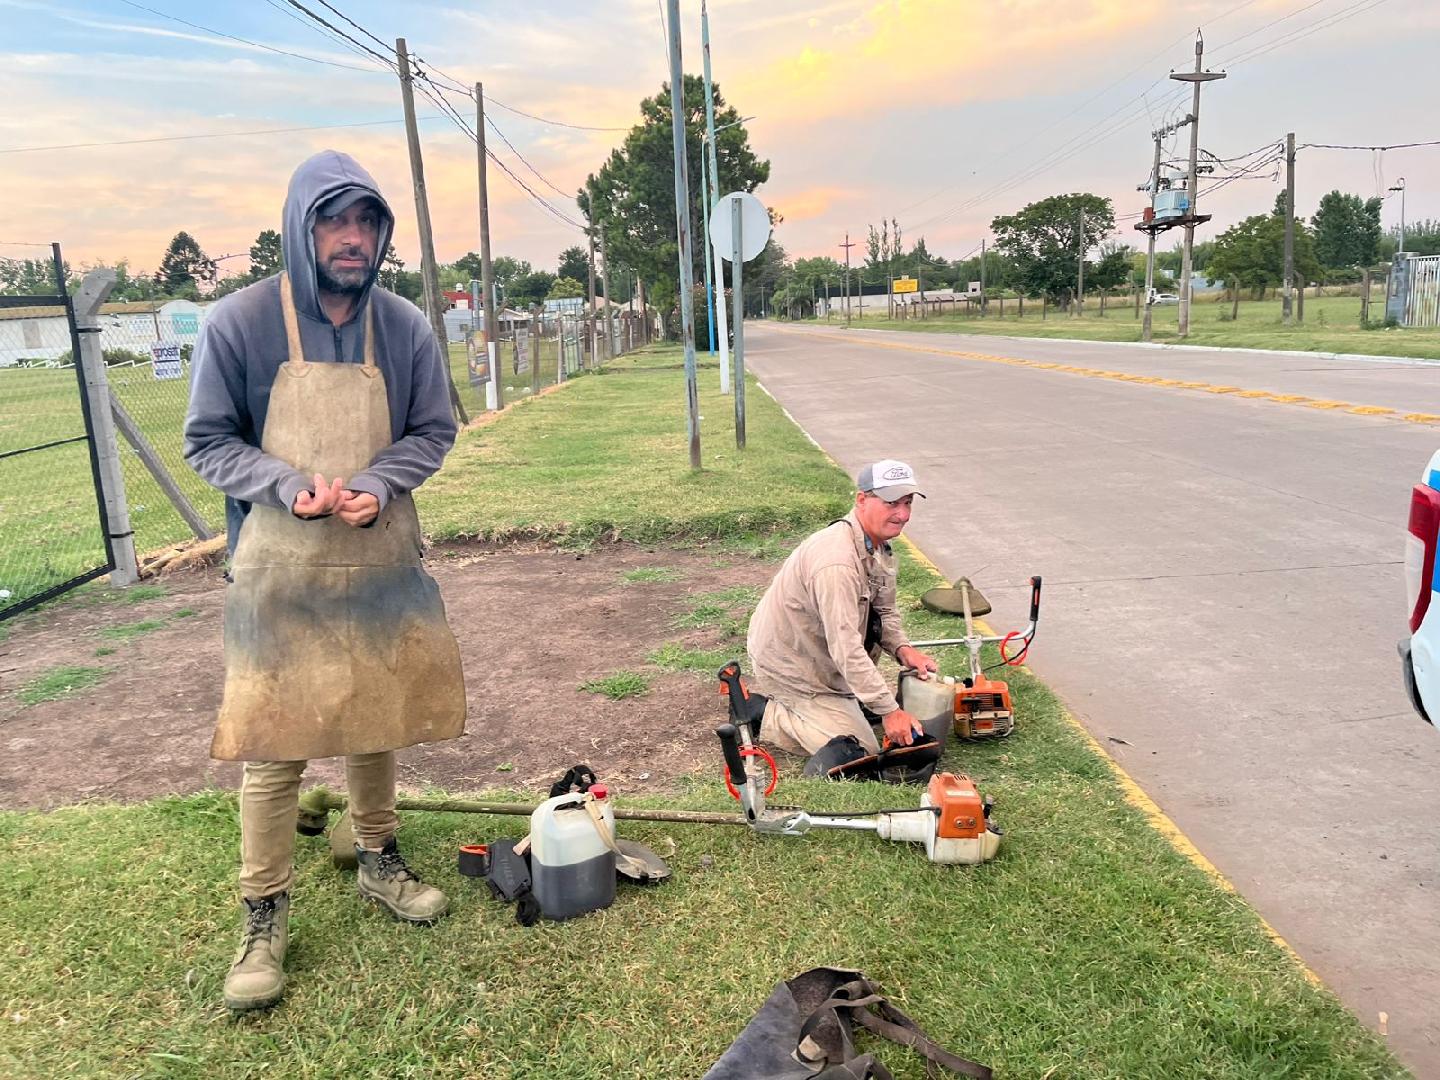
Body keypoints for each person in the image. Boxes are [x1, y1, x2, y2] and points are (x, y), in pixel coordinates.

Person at [183, 150, 467, 1013]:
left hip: (378, 557)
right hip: (279, 567)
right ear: (301, 227)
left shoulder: (405, 326)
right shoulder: (239, 323)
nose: (353, 239)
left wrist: (378, 483)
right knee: (275, 744)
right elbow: (207, 440)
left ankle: (376, 856)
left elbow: (432, 430)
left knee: (373, 717)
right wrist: (283, 485)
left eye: (367, 222)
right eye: (334, 221)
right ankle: (262, 913)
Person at [746, 460, 939, 759]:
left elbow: (884, 612)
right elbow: (846, 648)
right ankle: (763, 712)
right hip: (793, 666)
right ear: (862, 499)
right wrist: (889, 711)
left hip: (826, 660)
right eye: (891, 503)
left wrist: (903, 649)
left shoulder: (877, 544)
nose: (902, 515)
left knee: (865, 718)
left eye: (907, 502)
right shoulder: (837, 563)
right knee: (859, 750)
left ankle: (844, 701)